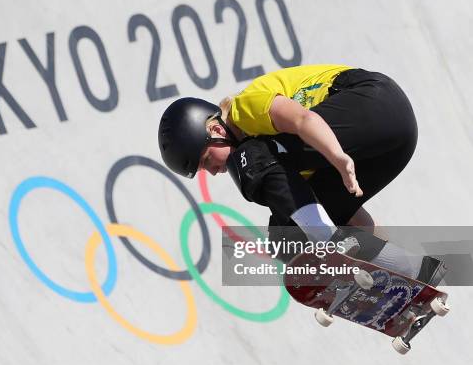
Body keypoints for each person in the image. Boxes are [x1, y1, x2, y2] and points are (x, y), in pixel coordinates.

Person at [158, 64, 445, 284]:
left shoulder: (243, 111)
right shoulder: (284, 161)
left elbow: (303, 119)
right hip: (395, 145)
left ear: (216, 130)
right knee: (286, 239)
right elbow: (349, 215)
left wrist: (337, 156)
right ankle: (417, 269)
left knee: (254, 159)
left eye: (207, 160)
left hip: (373, 103)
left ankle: (327, 241)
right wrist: (386, 265)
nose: (214, 171)